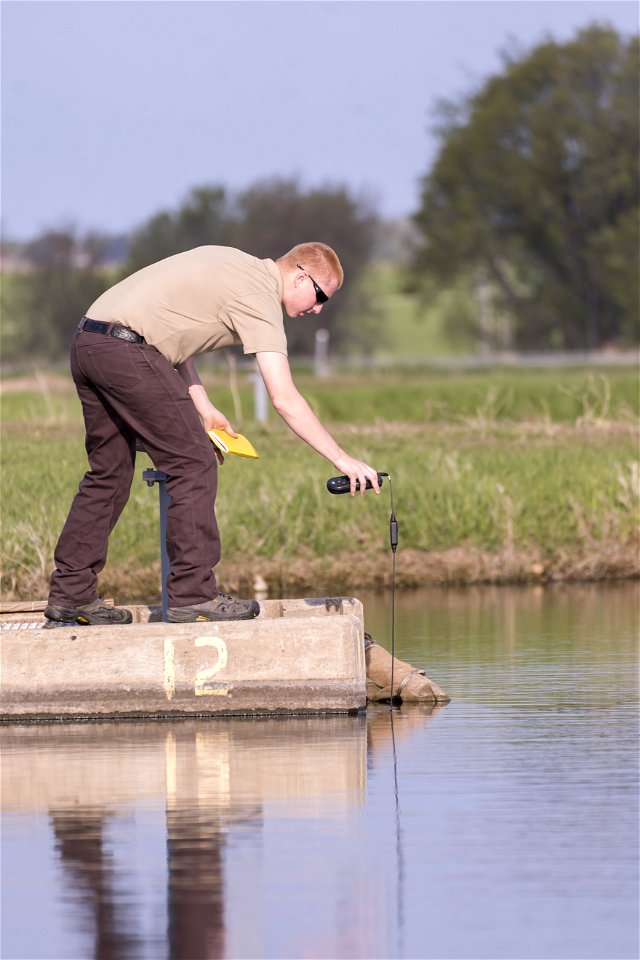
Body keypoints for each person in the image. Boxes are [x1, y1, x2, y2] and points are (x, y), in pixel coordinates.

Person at [45, 242, 381, 626]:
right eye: (320, 296)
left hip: (89, 342)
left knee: (109, 473)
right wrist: (343, 459)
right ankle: (193, 594)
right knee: (193, 464)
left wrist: (203, 407)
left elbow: (168, 334)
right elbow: (285, 398)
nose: (318, 309)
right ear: (301, 276)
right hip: (126, 352)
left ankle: (70, 595)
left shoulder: (236, 263)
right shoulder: (260, 297)